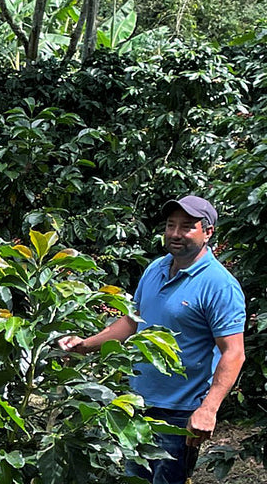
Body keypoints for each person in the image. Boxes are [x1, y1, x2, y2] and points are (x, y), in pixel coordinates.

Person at [58, 195, 246, 484]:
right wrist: (85, 345)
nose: (175, 234)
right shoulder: (156, 268)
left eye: (186, 227)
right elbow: (133, 321)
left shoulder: (219, 285)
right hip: (137, 404)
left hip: (179, 414)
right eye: (171, 225)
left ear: (208, 232)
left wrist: (208, 410)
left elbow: (233, 353)